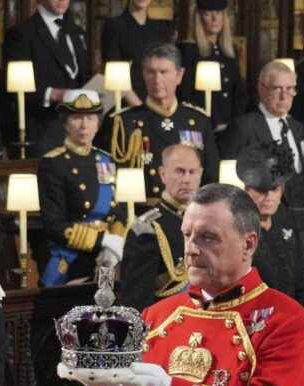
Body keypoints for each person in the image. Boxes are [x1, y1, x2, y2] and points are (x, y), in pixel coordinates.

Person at [60, 183, 304, 386]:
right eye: (187, 235)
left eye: (207, 237)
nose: (191, 248)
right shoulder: (155, 315)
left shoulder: (285, 319)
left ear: (249, 244)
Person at [101, 43, 220, 200]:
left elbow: (211, 176)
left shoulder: (197, 121)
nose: (157, 79)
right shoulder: (124, 122)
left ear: (179, 75)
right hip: (141, 214)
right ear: (143, 74)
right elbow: (107, 178)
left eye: (164, 72)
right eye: (151, 72)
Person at [219, 61, 304, 253]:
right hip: (263, 221)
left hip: (302, 220)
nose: (284, 95)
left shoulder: (298, 127)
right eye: (277, 88)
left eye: (290, 89)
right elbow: (228, 178)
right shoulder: (244, 127)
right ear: (262, 89)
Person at [37, 90, 126, 287]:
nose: (84, 125)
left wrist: (114, 243)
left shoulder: (106, 160)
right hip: (71, 258)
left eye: (90, 118)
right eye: (77, 118)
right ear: (66, 123)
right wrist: (102, 240)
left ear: (98, 123)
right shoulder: (53, 163)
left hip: (106, 257)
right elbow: (54, 225)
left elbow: (117, 211)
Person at [120, 144, 202, 311]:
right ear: (163, 174)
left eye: (192, 172)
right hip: (166, 322)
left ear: (200, 174)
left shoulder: (209, 220)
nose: (187, 179)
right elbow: (137, 300)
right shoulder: (146, 228)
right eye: (179, 171)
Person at [3, 0, 89, 156]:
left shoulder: (77, 32)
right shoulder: (21, 34)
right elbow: (13, 89)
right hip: (41, 132)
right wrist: (54, 94)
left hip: (80, 132)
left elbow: (81, 78)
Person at [238, 143, 304, 305]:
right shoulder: (236, 229)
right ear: (246, 189)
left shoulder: (286, 218)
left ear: (282, 190)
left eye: (274, 189)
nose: (269, 196)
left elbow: (301, 274)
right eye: (261, 190)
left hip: (293, 315)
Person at [179, 0, 247, 132]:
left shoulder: (229, 52)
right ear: (199, 18)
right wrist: (211, 124)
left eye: (219, 13)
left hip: (230, 129)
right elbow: (185, 96)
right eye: (208, 14)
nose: (215, 19)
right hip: (202, 128)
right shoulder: (189, 51)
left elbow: (239, 94)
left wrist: (235, 124)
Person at [101, 0, 172, 107]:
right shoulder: (114, 26)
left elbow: (166, 70)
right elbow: (115, 75)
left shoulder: (160, 29)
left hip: (157, 103)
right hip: (127, 104)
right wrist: (140, 107)